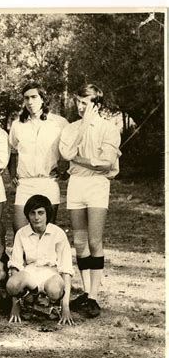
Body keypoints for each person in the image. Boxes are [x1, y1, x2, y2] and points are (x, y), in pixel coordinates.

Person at [59, 84, 121, 318]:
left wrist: (79, 160)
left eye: (85, 102)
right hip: (76, 184)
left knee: (95, 241)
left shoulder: (108, 128)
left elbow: (106, 164)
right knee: (80, 241)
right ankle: (86, 292)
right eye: (78, 102)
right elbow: (66, 155)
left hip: (97, 186)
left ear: (97, 104)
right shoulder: (71, 128)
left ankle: (94, 297)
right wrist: (85, 159)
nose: (80, 106)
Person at [8, 81, 69, 233]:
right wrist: (12, 174)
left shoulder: (59, 123)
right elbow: (13, 152)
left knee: (47, 229)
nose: (30, 102)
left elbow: (71, 149)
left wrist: (66, 171)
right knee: (20, 229)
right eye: (26, 98)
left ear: (42, 99)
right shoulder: (17, 125)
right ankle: (23, 258)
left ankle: (45, 258)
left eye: (34, 97)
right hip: (25, 183)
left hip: (48, 182)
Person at [6, 195, 74, 325]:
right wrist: (15, 307)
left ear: (47, 214)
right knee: (12, 285)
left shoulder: (58, 233)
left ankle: (52, 305)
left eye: (41, 213)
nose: (36, 217)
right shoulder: (21, 233)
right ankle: (28, 301)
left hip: (51, 274)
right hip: (31, 274)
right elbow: (15, 266)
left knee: (54, 290)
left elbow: (66, 270)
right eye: (33, 213)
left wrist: (66, 308)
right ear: (28, 215)